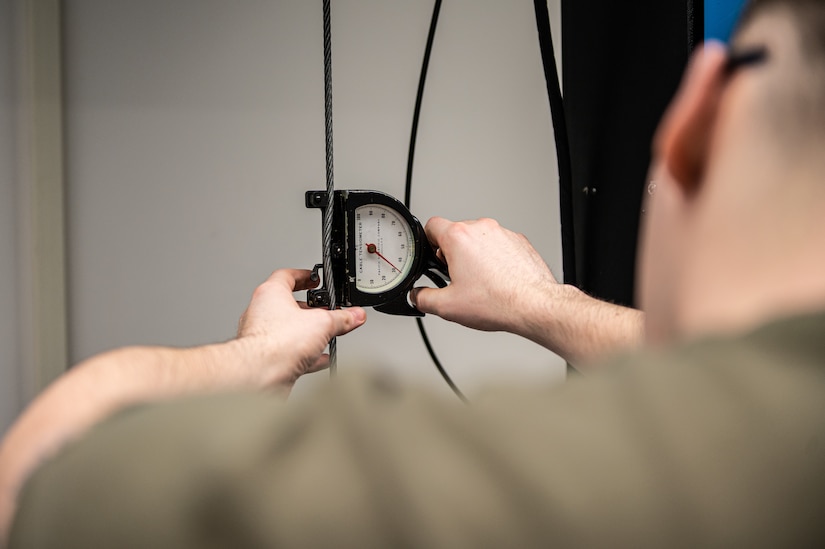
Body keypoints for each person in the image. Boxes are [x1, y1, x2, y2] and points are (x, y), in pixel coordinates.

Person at [3, 0, 825, 545]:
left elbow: (57, 467)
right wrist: (546, 305)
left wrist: (252, 359)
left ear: (694, 120)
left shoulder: (526, 491)